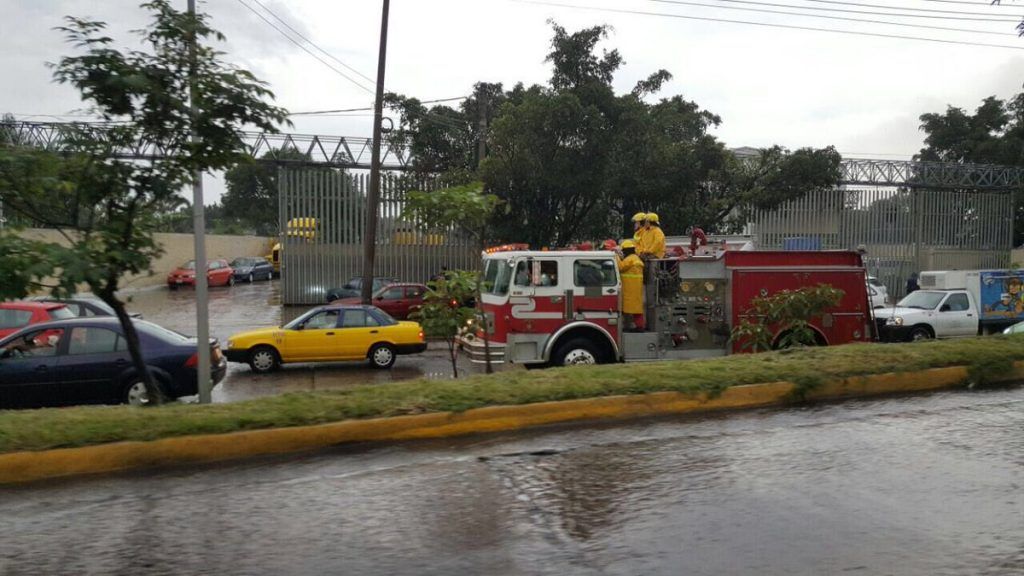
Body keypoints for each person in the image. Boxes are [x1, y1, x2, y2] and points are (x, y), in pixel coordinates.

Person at [617, 239, 645, 331]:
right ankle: (639, 326)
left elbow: (620, 267)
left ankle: (636, 327)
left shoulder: (630, 259)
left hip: (630, 289)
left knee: (630, 310)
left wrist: (615, 255)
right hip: (634, 289)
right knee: (636, 310)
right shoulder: (636, 258)